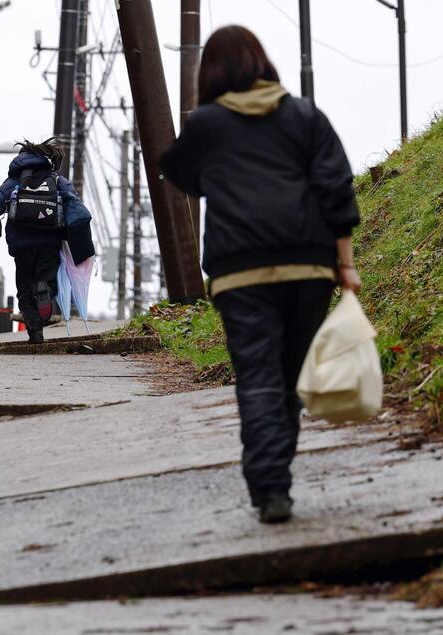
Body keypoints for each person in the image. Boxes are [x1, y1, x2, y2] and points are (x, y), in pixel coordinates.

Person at [160, 25, 362, 524]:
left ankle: (270, 488)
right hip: (307, 266)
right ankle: (275, 480)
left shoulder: (207, 124)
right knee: (291, 378)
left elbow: (179, 173)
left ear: (211, 72)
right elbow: (336, 189)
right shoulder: (304, 116)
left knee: (257, 378)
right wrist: (347, 264)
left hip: (239, 271)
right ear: (262, 62)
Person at [0, 138, 85, 344]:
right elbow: (76, 207)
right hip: (49, 243)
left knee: (24, 291)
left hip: (21, 245)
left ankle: (35, 333)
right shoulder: (57, 180)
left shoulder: (14, 182)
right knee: (46, 282)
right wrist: (79, 240)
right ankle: (44, 289)